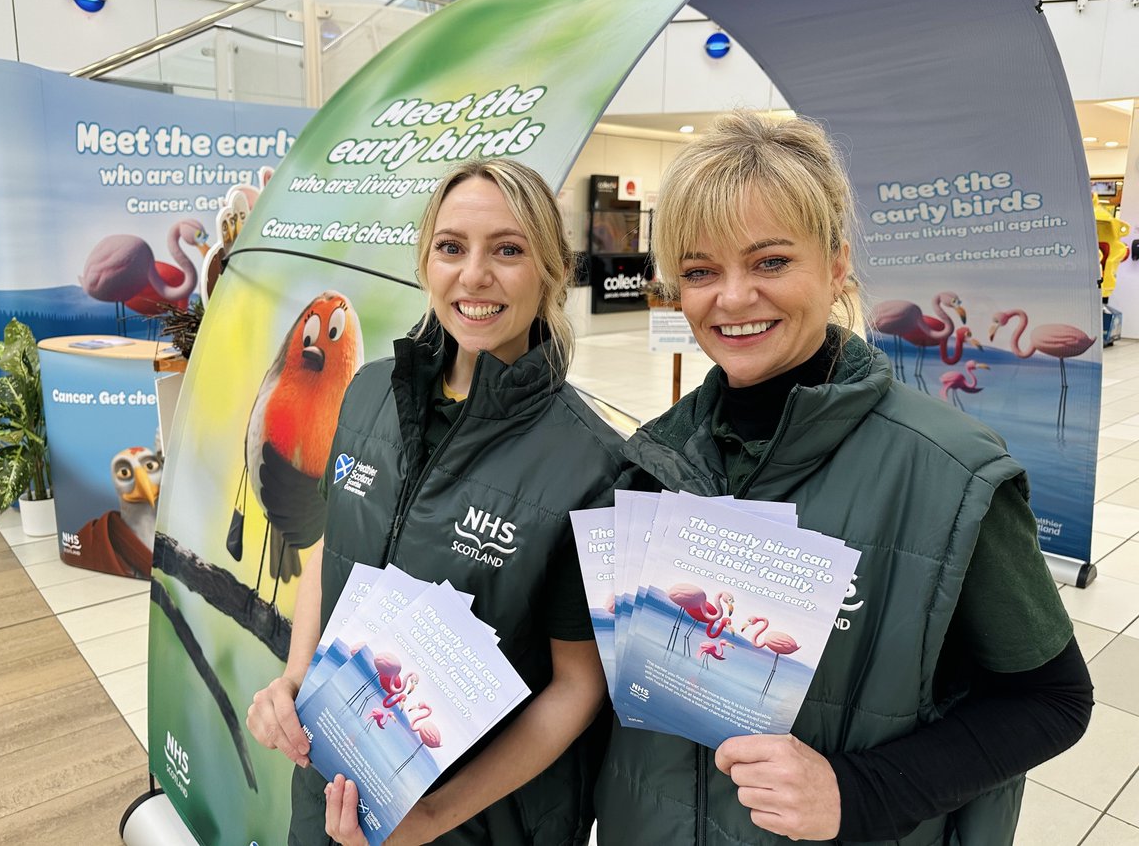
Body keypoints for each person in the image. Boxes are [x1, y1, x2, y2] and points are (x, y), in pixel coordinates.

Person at [593, 110, 1093, 845]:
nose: (731, 299)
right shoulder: (652, 464)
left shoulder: (950, 474)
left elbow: (1052, 700)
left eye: (769, 262)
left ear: (835, 268)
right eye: (701, 271)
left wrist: (856, 792)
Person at [246, 157, 623, 845]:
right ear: (427, 261)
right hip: (333, 776)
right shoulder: (367, 394)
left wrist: (436, 817)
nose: (474, 276)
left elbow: (578, 686)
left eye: (507, 250)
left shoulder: (591, 465)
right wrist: (296, 679)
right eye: (452, 248)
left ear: (551, 269)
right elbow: (329, 545)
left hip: (474, 819)